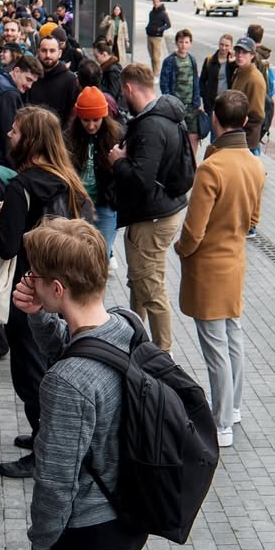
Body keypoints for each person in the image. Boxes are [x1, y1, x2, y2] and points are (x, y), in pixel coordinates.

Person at [15, 218, 148, 550]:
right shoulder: (127, 323)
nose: (30, 280)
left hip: (86, 534)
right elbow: (77, 347)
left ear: (59, 289)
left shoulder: (67, 385)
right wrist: (43, 318)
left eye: (38, 277)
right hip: (127, 514)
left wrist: (42, 546)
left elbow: (56, 479)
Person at [0, 105, 91, 478]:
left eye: (15, 131)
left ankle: (43, 449)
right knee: (48, 364)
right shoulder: (64, 178)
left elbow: (6, 246)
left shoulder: (21, 185)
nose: (8, 135)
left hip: (30, 291)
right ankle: (42, 436)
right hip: (61, 289)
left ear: (29, 140)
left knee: (30, 374)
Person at [174, 91, 265, 447]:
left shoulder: (211, 168)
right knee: (233, 338)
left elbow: (194, 229)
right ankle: (235, 408)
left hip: (208, 267)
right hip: (235, 261)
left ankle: (221, 422)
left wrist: (181, 250)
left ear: (214, 119)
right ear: (244, 122)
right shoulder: (256, 164)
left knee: (214, 348)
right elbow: (254, 218)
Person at [107, 63, 188, 353]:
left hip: (151, 217)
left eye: (122, 90)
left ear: (129, 87)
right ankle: (136, 341)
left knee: (151, 288)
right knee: (141, 281)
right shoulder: (167, 114)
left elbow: (142, 179)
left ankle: (162, 355)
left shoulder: (151, 125)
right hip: (162, 210)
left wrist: (118, 161)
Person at [65, 86, 122, 259]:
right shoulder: (68, 138)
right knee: (78, 257)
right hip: (78, 205)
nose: (91, 126)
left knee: (101, 257)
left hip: (105, 204)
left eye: (96, 120)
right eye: (86, 120)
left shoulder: (117, 136)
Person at [0, 52, 42, 165]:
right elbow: (9, 136)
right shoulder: (8, 94)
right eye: (28, 79)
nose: (29, 86)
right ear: (16, 71)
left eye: (33, 82)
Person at [160, 29, 203, 154]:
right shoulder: (170, 61)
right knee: (177, 136)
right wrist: (170, 102)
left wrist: (197, 102)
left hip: (191, 106)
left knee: (193, 136)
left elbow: (196, 81)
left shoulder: (192, 60)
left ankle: (193, 164)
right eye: (180, 42)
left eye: (186, 42)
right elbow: (164, 83)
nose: (183, 45)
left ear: (190, 43)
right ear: (176, 43)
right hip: (176, 105)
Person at [28, 33, 80, 125]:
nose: (48, 55)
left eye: (52, 51)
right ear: (38, 51)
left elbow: (73, 113)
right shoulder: (30, 76)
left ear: (59, 53)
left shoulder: (70, 79)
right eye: (44, 50)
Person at [229, 37, 267, 154]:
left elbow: (257, 116)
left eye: (244, 52)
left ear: (252, 55)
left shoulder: (255, 79)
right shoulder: (239, 71)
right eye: (238, 51)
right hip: (236, 137)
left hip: (246, 142)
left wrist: (238, 131)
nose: (240, 55)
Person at [199, 34, 234, 140]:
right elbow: (202, 81)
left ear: (231, 47)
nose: (223, 48)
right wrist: (205, 97)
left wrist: (233, 64)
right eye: (221, 44)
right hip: (212, 103)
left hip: (227, 103)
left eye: (227, 46)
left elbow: (236, 79)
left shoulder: (232, 62)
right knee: (214, 133)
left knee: (226, 132)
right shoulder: (210, 60)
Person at [144, 0, 171, 80]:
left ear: (159, 2)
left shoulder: (163, 13)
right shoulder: (151, 13)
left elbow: (168, 25)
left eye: (157, 2)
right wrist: (147, 28)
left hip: (157, 37)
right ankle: (153, 72)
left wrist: (160, 29)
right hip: (149, 36)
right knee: (152, 56)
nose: (155, 4)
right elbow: (150, 22)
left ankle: (156, 74)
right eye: (154, 2)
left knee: (156, 57)